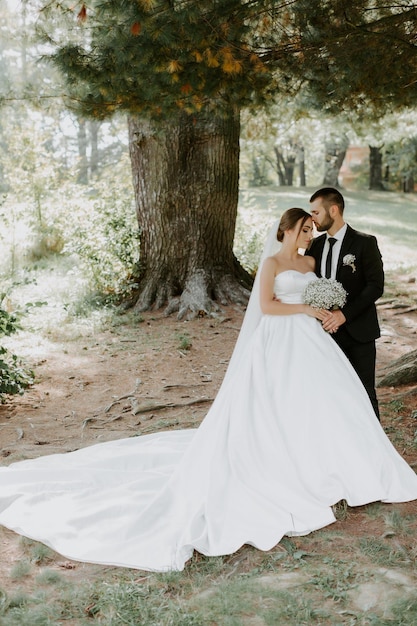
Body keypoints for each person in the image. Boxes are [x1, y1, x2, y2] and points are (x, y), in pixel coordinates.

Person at [0, 208, 416, 573]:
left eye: (312, 229)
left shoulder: (310, 266)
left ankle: (331, 460)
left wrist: (322, 309)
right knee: (275, 402)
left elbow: (318, 294)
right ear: (286, 230)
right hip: (277, 339)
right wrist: (306, 308)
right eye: (304, 229)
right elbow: (267, 306)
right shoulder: (271, 263)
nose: (310, 236)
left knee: (323, 401)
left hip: (310, 342)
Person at [306, 188, 384, 420]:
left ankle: (374, 449)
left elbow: (375, 286)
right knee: (329, 392)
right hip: (324, 333)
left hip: (359, 331)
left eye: (316, 212)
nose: (313, 218)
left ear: (334, 210)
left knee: (364, 391)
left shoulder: (365, 243)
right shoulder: (315, 246)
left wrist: (344, 314)